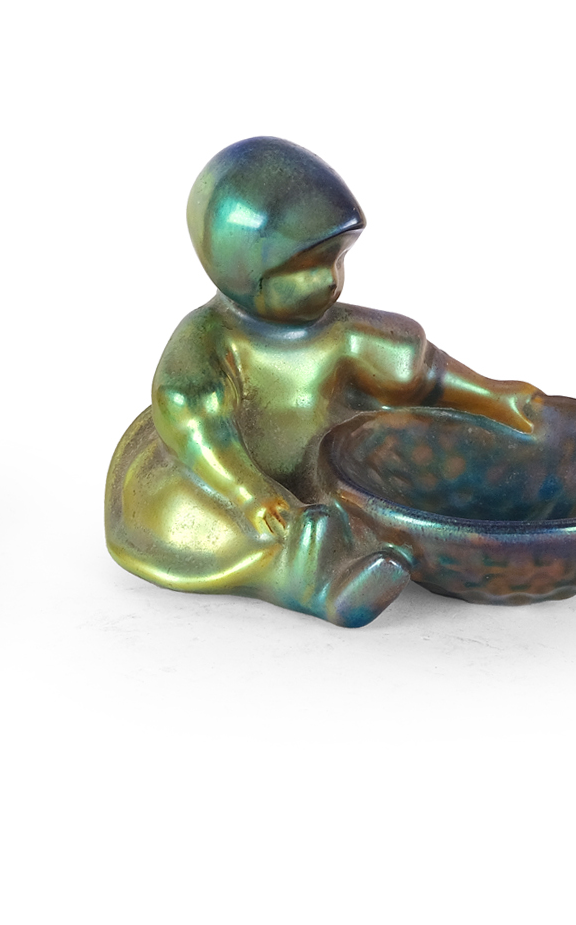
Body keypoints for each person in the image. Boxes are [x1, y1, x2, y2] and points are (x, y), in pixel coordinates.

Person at [105, 136, 541, 626]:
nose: (331, 279)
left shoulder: (342, 332)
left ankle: (354, 548)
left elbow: (420, 370)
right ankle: (303, 579)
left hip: (321, 471)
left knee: (379, 483)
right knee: (210, 522)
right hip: (232, 479)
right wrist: (247, 491)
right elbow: (193, 418)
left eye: (338, 259)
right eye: (306, 268)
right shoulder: (212, 340)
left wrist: (490, 395)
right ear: (241, 270)